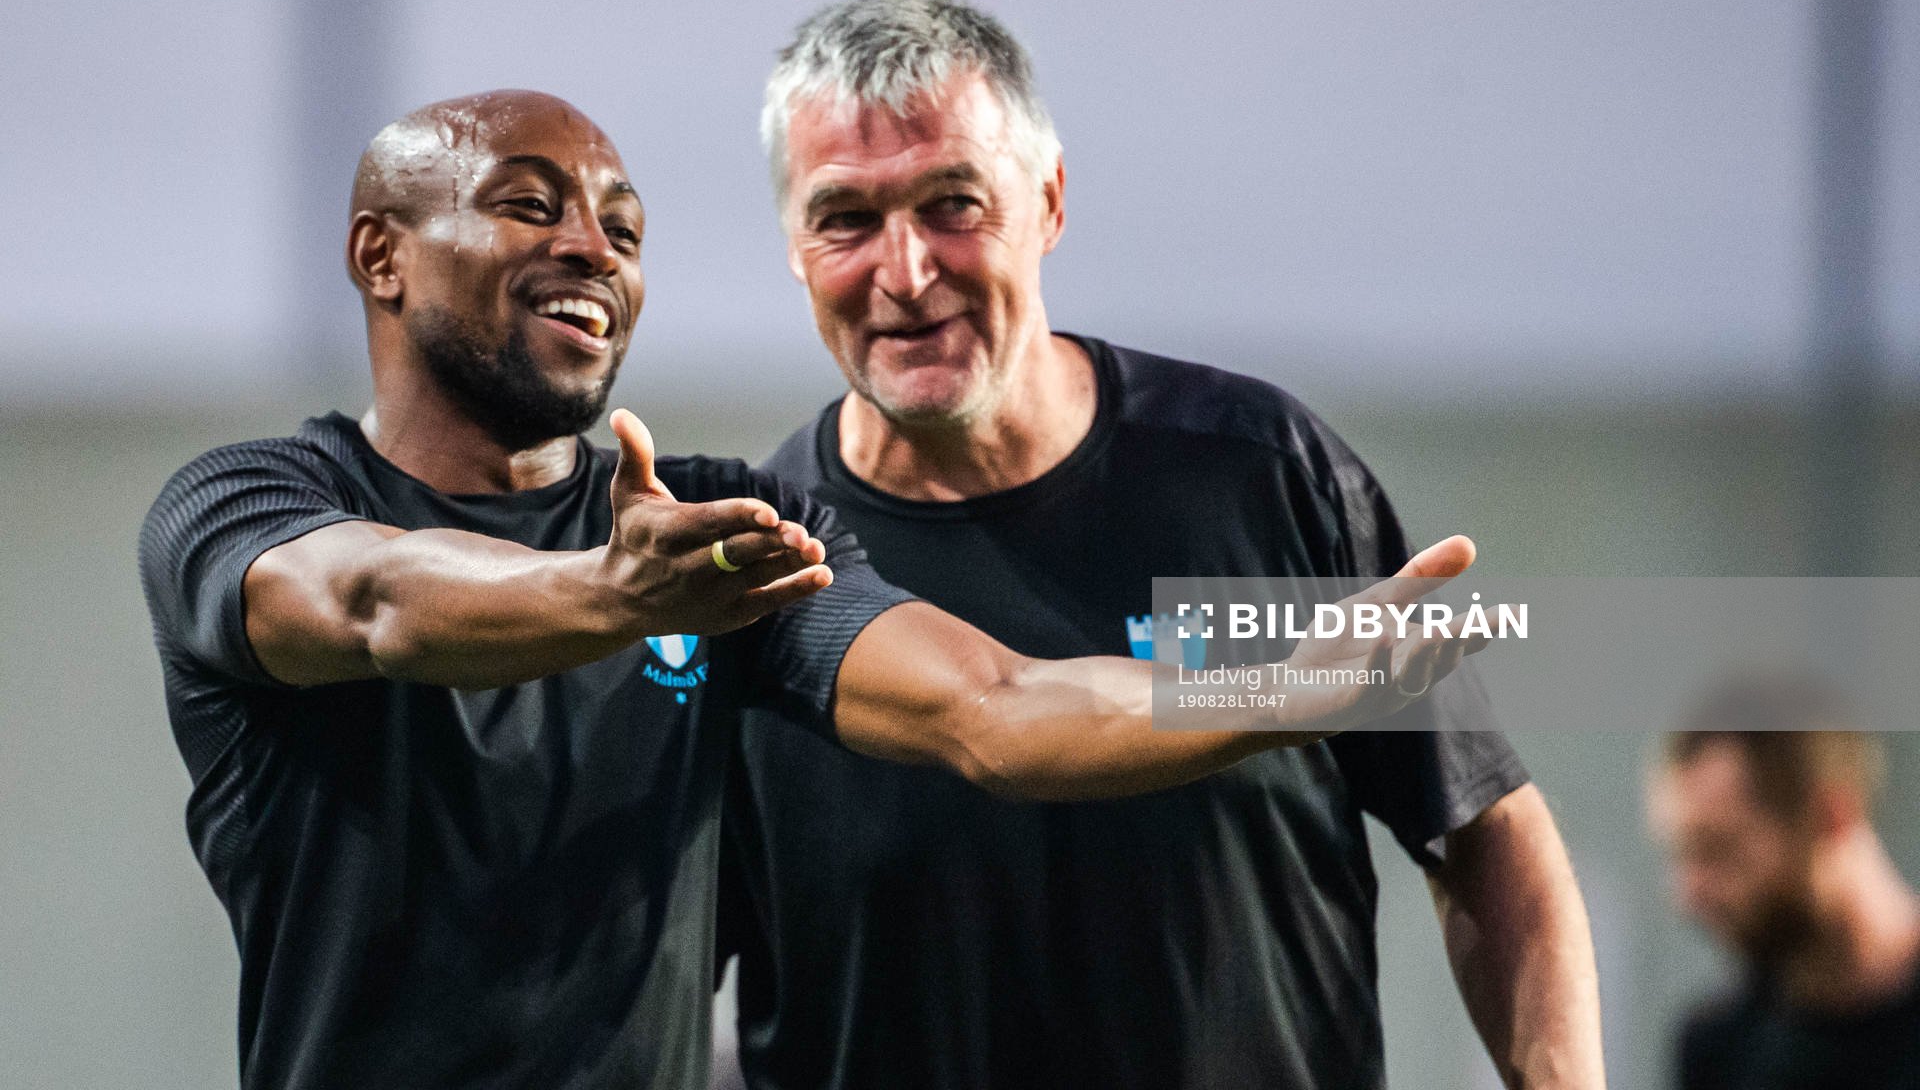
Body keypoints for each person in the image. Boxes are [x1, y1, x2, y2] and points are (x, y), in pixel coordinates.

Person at [137, 89, 1467, 1090]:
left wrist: (1278, 685)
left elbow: (995, 709)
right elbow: (371, 607)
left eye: (623, 227)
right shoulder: (248, 504)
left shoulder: (729, 532)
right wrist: (615, 598)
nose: (594, 248)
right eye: (532, 205)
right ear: (382, 256)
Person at [720, 0, 1606, 1089]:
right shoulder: (753, 577)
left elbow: (1481, 827)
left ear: (1048, 202)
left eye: (954, 203)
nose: (905, 271)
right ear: (795, 248)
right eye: (846, 216)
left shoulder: (1255, 475)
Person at [1648, 729, 1920, 1088]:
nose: (1689, 894)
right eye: (1683, 855)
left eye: (1719, 849)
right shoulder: (1719, 1050)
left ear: (1830, 818)